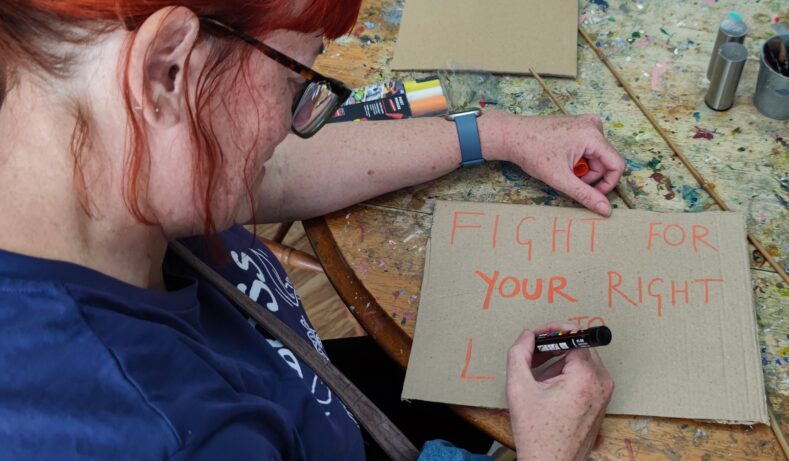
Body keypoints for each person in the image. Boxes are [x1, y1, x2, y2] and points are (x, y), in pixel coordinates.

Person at [0, 1, 621, 459]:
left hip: (317, 395)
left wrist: (493, 133)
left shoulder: (66, 139)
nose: (293, 128)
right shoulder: (168, 432)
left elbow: (266, 170)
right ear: (167, 68)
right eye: (296, 83)